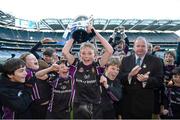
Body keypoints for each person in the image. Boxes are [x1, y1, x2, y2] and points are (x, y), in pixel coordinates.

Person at [62, 25, 113, 119]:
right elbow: (65, 52)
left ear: (95, 55)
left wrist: (95, 32)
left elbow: (110, 50)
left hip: (96, 104)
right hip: (79, 104)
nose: (86, 56)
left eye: (90, 53)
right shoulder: (76, 64)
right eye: (83, 53)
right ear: (80, 55)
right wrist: (74, 36)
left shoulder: (98, 65)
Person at [119, 36, 164, 119]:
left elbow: (160, 80)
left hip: (145, 105)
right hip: (127, 104)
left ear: (147, 48)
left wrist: (147, 80)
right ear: (133, 47)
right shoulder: (125, 60)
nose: (140, 48)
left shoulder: (157, 61)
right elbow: (120, 78)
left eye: (143, 46)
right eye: (138, 46)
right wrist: (130, 75)